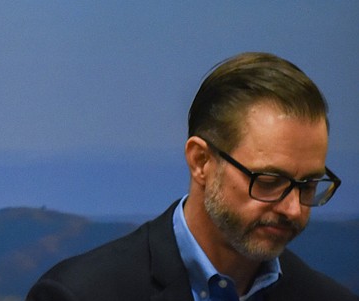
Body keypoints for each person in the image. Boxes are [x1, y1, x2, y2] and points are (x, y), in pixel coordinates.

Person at [26, 52, 355, 301]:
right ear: (201, 162)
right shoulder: (79, 294)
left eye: (308, 185)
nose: (294, 210)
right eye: (269, 182)